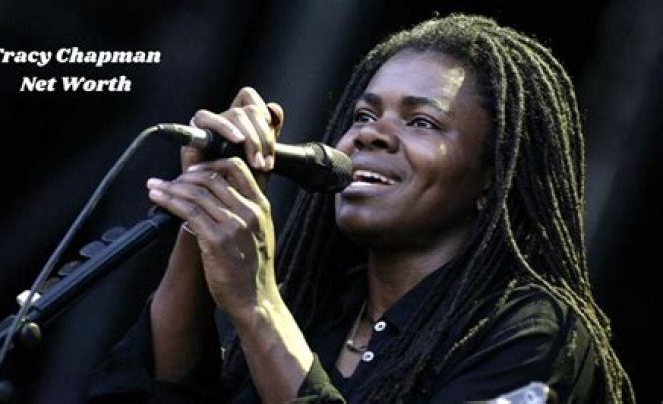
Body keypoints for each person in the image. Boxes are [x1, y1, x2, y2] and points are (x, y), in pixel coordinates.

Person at [86, 14, 634, 403]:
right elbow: (153, 394)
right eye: (364, 116)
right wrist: (206, 208)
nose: (371, 135)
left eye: (422, 122)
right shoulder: (318, 313)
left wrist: (258, 306)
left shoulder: (532, 336)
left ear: (494, 176)